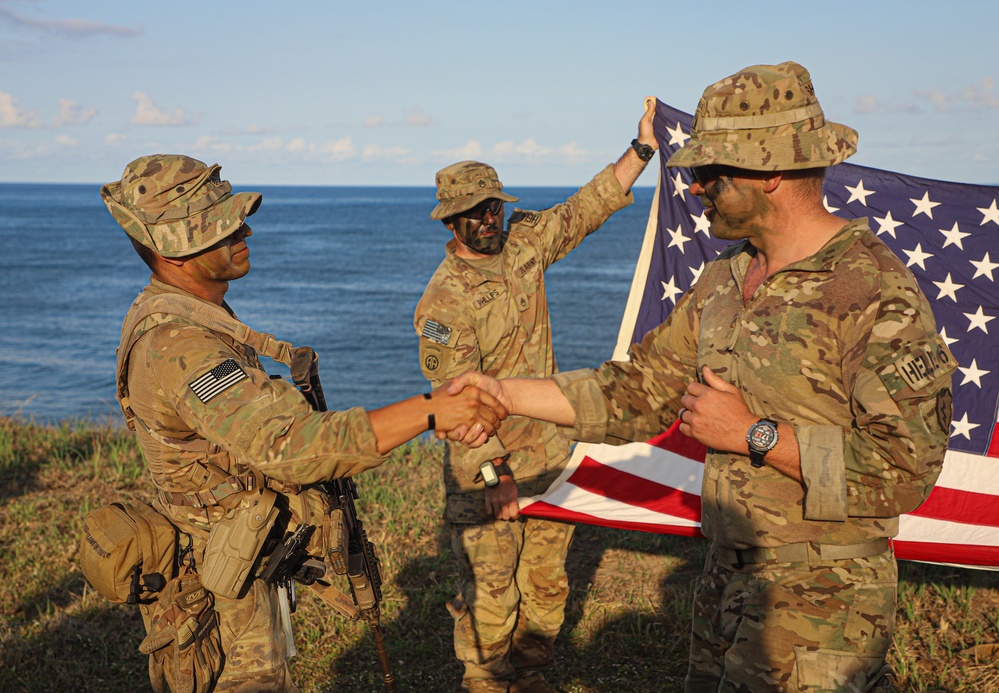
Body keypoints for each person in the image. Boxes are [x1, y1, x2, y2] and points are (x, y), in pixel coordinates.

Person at [450, 62, 955, 692]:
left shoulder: (873, 292)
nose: (694, 188)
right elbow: (639, 389)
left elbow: (904, 471)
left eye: (709, 173)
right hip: (725, 579)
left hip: (822, 603)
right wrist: (503, 394)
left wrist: (754, 434)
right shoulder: (725, 277)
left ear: (770, 170)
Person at [100, 154, 506, 692]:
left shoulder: (187, 313)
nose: (242, 229)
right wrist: (430, 410)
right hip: (221, 595)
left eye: (234, 218)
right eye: (219, 227)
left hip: (235, 562)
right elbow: (289, 446)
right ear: (169, 252)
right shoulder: (179, 345)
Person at [414, 101, 658, 692]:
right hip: (487, 472)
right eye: (473, 214)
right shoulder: (443, 305)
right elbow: (459, 411)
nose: (488, 220)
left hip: (547, 453)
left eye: (494, 207)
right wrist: (499, 480)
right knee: (491, 596)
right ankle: (486, 682)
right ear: (452, 224)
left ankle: (533, 678)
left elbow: (586, 208)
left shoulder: (525, 245)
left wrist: (642, 147)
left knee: (547, 587)